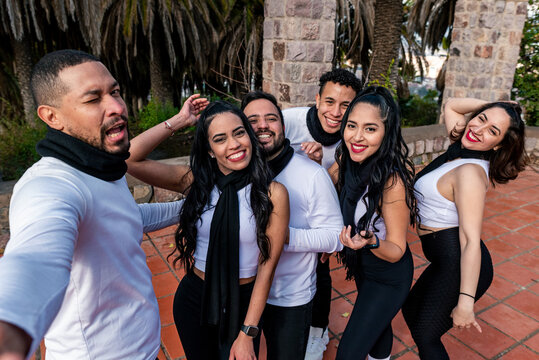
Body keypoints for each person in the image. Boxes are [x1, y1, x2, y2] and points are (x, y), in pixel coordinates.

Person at [0, 49, 185, 359]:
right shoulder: (50, 185)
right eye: (93, 99)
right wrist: (12, 329)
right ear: (51, 116)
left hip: (143, 347)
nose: (116, 107)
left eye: (115, 92)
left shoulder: (100, 164)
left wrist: (190, 207)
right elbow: (37, 260)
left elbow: (124, 218)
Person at [127, 101, 289, 359]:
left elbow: (267, 269)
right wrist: (180, 120)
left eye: (239, 133)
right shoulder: (196, 182)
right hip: (196, 298)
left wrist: (248, 332)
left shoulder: (273, 193)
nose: (234, 144)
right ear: (210, 151)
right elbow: (128, 157)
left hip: (243, 301)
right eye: (220, 139)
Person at [402, 98, 528, 360]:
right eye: (481, 119)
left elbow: (471, 241)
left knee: (426, 334)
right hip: (444, 258)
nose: (480, 129)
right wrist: (499, 106)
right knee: (412, 311)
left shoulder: (470, 171)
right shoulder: (461, 148)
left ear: (500, 144)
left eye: (493, 131)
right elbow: (451, 105)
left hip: (459, 262)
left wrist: (465, 303)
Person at [240, 91, 343, 359]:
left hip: (289, 296)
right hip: (242, 290)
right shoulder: (236, 172)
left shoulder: (312, 175)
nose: (263, 125)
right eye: (253, 120)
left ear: (282, 127)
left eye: (271, 118)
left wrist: (283, 236)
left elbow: (335, 237)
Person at [331, 86, 418, 360]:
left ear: (386, 132)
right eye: (352, 126)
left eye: (370, 129)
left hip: (388, 275)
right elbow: (326, 190)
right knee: (378, 330)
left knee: (348, 353)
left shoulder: (391, 183)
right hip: (363, 268)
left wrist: (371, 241)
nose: (357, 137)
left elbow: (397, 249)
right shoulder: (347, 161)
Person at [282, 68, 362, 359]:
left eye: (346, 105)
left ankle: (318, 330)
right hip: (284, 208)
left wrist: (333, 232)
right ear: (317, 99)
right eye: (330, 102)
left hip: (324, 213)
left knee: (321, 269)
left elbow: (349, 189)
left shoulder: (354, 135)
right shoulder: (288, 121)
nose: (336, 112)